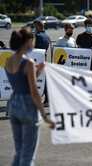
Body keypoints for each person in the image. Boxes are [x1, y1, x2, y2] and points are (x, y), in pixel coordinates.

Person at [5, 28, 55, 166]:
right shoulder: (28, 63)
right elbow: (33, 91)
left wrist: (37, 71)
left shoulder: (8, 61)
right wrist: (45, 116)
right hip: (27, 106)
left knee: (19, 151)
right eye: (32, 41)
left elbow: (21, 82)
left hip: (14, 103)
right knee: (28, 154)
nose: (33, 44)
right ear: (27, 42)